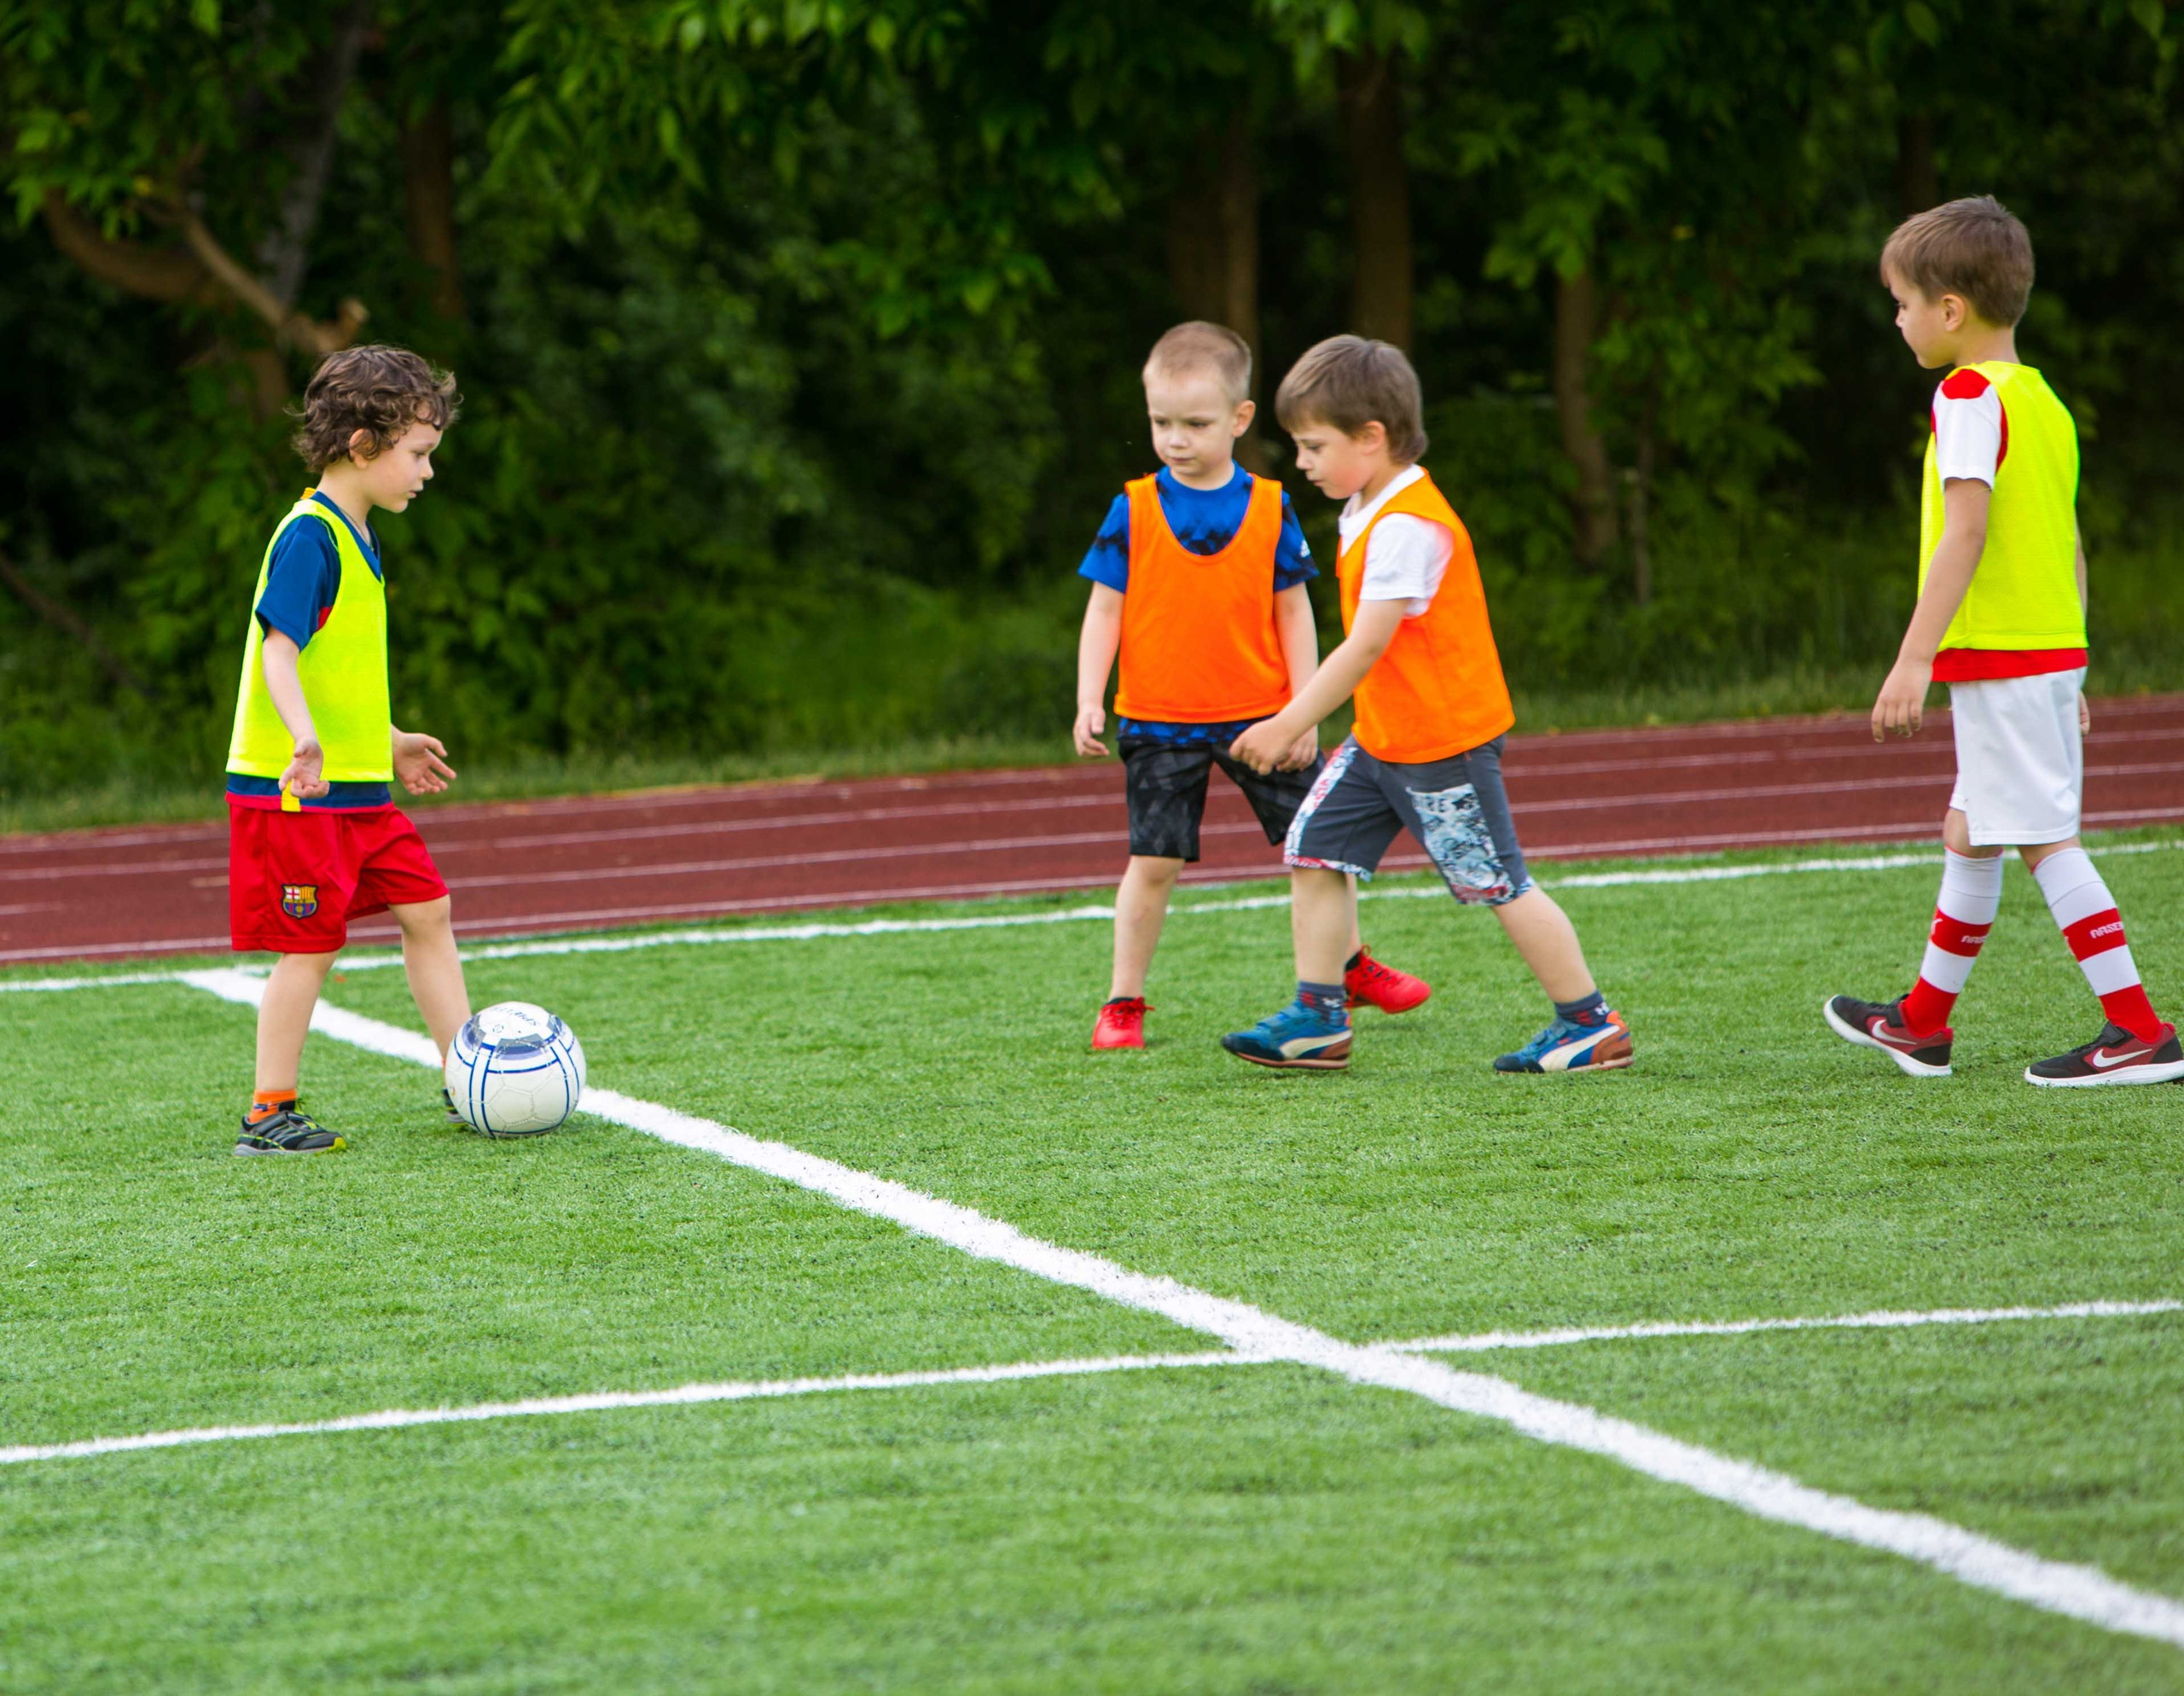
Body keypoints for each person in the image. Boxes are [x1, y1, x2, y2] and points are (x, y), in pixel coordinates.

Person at [1826, 196, 2181, 1086]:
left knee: (2041, 838)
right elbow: (2066, 542)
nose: (1897, 319)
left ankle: (2137, 1029)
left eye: (1902, 302)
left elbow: (1967, 531)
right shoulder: (2044, 401)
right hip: (2040, 651)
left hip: (2003, 655)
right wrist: (2075, 655)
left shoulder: (1967, 393)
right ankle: (1921, 1022)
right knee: (1970, 829)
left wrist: (1913, 656)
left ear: (1950, 310)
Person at [1222, 335, 1633, 1075]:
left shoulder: (1407, 523)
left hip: (1441, 745)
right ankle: (1318, 1016)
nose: (1303, 461)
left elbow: (1366, 645)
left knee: (1497, 882)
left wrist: (1291, 719)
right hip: (1384, 739)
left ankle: (1589, 1024)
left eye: (1313, 445)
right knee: (1313, 849)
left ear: (1371, 438)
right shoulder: (1366, 503)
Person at [1072, 321, 1430, 1050]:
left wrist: (1304, 715)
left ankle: (1351, 966)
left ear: (1239, 421)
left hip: (1264, 720)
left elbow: (1294, 611)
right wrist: (1088, 696)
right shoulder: (1132, 508)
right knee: (1155, 862)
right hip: (1157, 721)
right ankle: (1123, 1003)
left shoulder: (1272, 505)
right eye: (1160, 422)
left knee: (1321, 845)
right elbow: (1103, 607)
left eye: (1195, 423)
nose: (1175, 438)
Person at [224, 344, 475, 1153]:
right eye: (418, 454)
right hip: (296, 787)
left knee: (427, 909)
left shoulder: (358, 535)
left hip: (358, 786)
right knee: (312, 948)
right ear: (363, 446)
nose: (427, 472)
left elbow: (341, 675)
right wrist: (303, 738)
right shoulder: (310, 538)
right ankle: (269, 1113)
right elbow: (278, 654)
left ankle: (466, 1076)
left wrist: (389, 740)